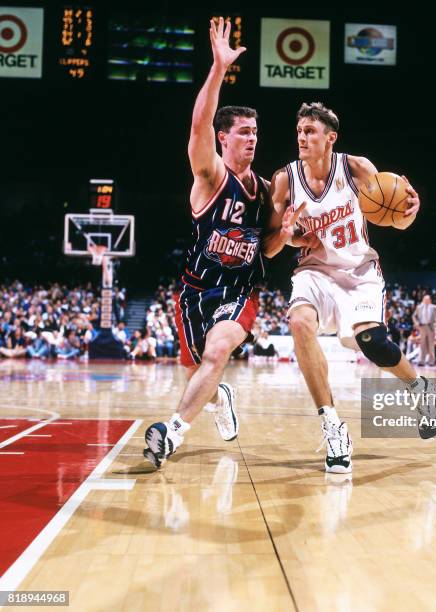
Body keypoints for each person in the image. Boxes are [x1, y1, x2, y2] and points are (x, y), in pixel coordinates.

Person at [264, 102, 436, 474]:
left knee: (372, 342)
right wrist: (293, 236)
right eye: (299, 131)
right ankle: (332, 426)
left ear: (331, 138)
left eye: (310, 131)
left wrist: (411, 210)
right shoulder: (285, 179)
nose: (302, 137)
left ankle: (418, 386)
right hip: (315, 271)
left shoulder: (356, 167)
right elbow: (275, 243)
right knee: (299, 324)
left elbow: (396, 222)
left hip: (359, 270)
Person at [143, 18, 268, 468]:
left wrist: (290, 232)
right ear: (224, 138)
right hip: (195, 290)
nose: (252, 138)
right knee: (199, 368)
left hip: (240, 293)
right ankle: (219, 398)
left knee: (217, 352)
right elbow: (197, 127)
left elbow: (270, 248)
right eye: (243, 132)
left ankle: (171, 433)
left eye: (255, 132)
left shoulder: (268, 190)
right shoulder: (211, 175)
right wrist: (218, 70)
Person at [413, 294, 436, 366]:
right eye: (424, 299)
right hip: (422, 326)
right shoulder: (419, 307)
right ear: (423, 300)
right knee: (422, 345)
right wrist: (416, 323)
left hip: (431, 326)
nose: (426, 301)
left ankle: (431, 361)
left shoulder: (435, 307)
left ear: (430, 300)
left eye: (427, 299)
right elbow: (414, 316)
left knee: (431, 344)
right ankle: (422, 361)